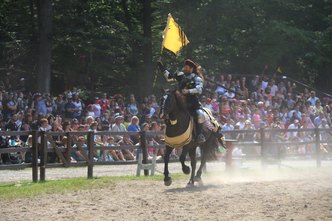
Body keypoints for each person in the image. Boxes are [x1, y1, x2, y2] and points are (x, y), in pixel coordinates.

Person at [158, 59, 206, 143]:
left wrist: (188, 91)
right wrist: (161, 67)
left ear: (191, 68)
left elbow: (199, 90)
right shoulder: (180, 76)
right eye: (185, 67)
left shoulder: (197, 78)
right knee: (169, 111)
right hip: (180, 102)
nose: (184, 68)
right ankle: (168, 134)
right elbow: (169, 77)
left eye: (186, 67)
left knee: (200, 115)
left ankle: (199, 135)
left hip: (192, 103)